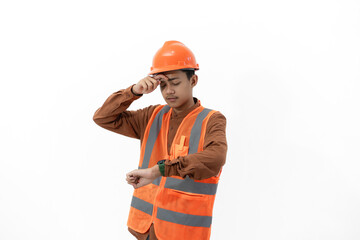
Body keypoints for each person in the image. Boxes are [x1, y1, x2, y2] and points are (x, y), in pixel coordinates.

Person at [93, 40, 227, 240]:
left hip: (184, 233)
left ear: (193, 81)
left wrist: (159, 170)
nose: (168, 91)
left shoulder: (212, 120)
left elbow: (215, 158)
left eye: (175, 82)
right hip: (146, 230)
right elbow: (103, 117)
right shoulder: (151, 116)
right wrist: (134, 92)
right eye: (163, 85)